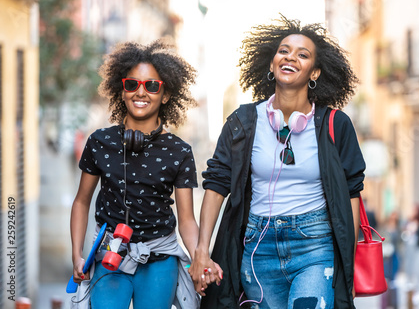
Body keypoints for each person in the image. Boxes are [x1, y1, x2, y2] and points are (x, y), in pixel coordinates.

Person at [189, 16, 366, 309]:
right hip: (258, 249)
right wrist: (202, 250)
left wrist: (349, 264)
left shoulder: (336, 125)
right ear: (272, 64)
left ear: (315, 72)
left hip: (315, 246)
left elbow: (351, 192)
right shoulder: (242, 122)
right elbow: (217, 184)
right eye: (284, 51)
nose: (290, 57)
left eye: (303, 54)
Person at [70, 39, 203, 309]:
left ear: (165, 95)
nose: (140, 93)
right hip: (109, 254)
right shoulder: (99, 142)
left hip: (159, 259)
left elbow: (187, 219)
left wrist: (200, 256)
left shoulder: (180, 151)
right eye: (132, 84)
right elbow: (82, 201)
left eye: (151, 85)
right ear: (122, 91)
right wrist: (77, 254)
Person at [402, 203, 419, 290]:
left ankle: (418, 288)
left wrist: (416, 230)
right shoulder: (409, 221)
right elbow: (404, 233)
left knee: (418, 269)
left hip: (418, 250)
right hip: (409, 249)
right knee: (409, 267)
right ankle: (409, 288)